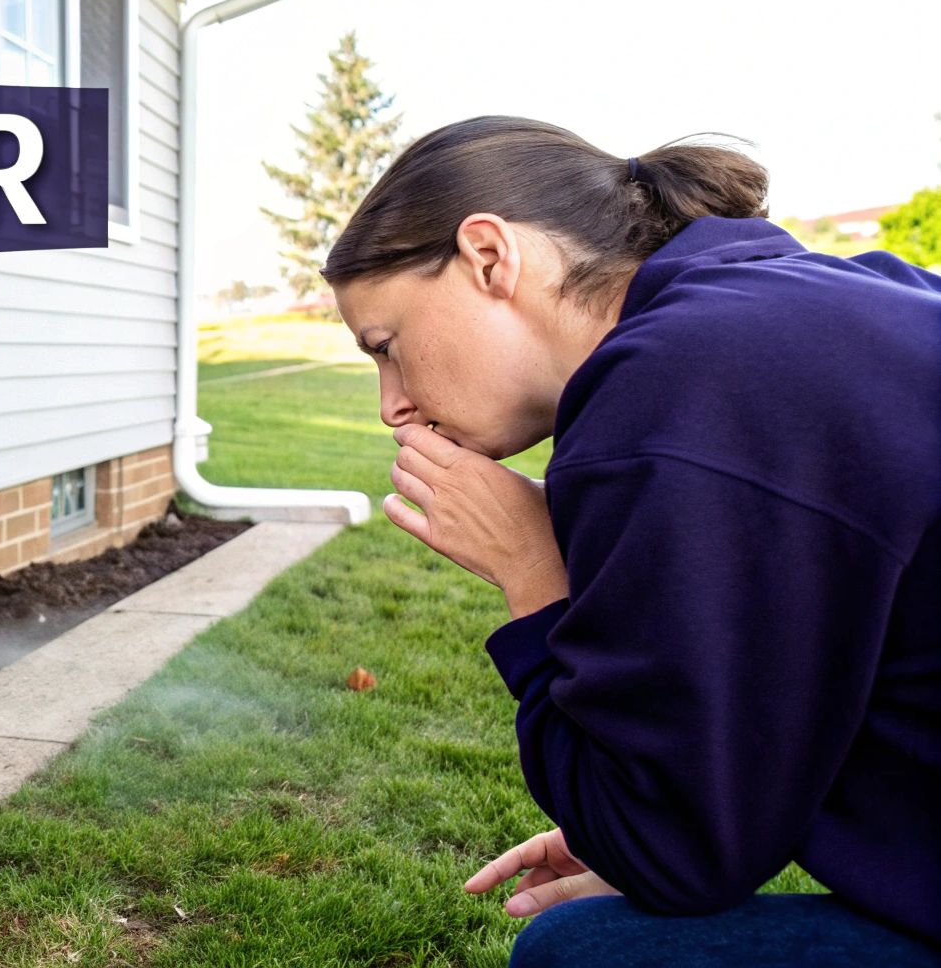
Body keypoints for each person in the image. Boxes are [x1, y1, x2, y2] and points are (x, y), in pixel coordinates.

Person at [321, 115, 941, 966]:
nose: (391, 403)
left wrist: (533, 571)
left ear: (489, 257)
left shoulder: (668, 386)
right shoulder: (832, 293)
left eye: (387, 347)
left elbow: (675, 854)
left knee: (581, 953)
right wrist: (650, 832)